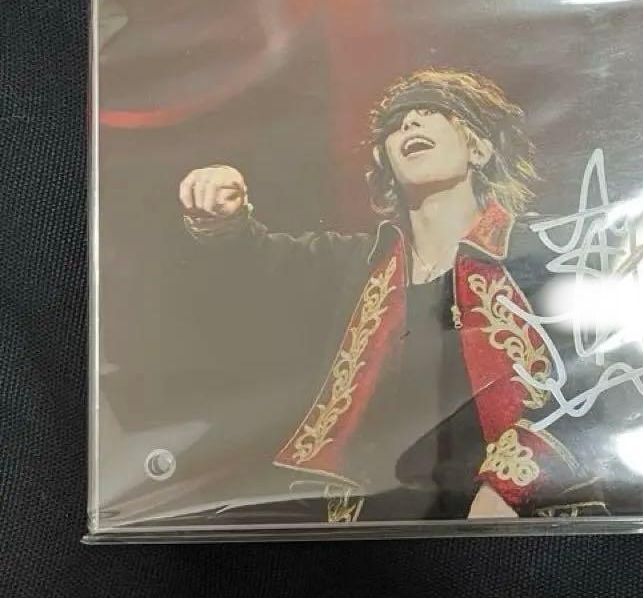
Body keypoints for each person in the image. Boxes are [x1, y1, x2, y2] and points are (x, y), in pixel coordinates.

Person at [179, 68, 607, 524]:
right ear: (385, 164)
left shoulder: (539, 255)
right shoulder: (359, 265)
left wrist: (509, 489)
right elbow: (258, 261)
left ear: (479, 149)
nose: (409, 124)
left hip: (508, 524)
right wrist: (223, 216)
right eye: (396, 124)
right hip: (375, 529)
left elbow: (591, 385)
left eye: (432, 111)